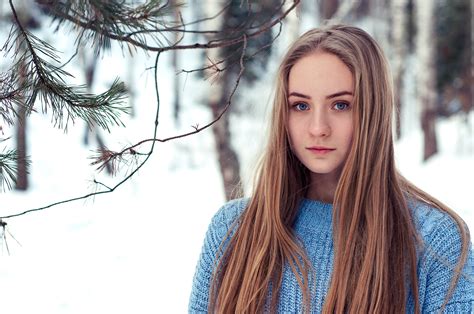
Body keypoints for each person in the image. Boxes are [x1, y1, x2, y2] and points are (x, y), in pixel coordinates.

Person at [188, 24, 473, 313]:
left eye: (340, 105)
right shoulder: (232, 229)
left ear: (373, 110)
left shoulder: (435, 242)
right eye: (300, 106)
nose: (318, 128)